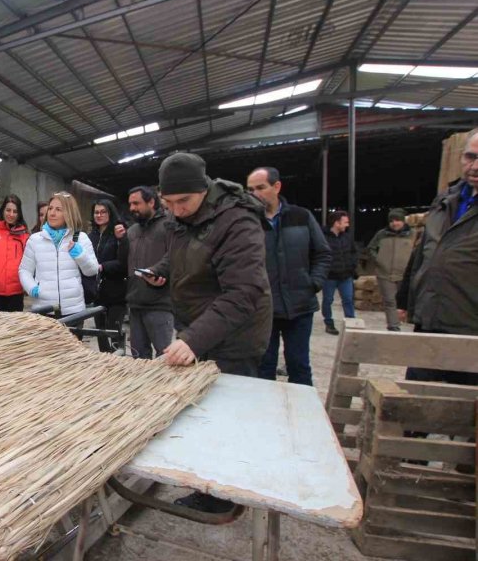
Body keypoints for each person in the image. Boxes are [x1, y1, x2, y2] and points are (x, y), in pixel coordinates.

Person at [142, 153, 272, 514]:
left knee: (227, 417)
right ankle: (207, 482)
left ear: (204, 189)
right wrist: (161, 270)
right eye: (168, 203)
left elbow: (244, 293)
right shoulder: (183, 215)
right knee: (202, 413)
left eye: (183, 201)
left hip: (234, 334)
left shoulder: (237, 221)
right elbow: (184, 253)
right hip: (199, 324)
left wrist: (193, 339)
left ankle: (223, 496)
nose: (176, 210)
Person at [397, 127, 478, 386]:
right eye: (470, 157)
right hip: (430, 320)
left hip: (470, 328)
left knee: (465, 412)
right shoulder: (445, 200)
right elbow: (423, 251)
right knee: (414, 405)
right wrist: (405, 298)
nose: (475, 166)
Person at [247, 167, 331, 386]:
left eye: (260, 188)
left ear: (276, 187)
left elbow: (322, 252)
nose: (255, 194)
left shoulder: (301, 217)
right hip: (263, 308)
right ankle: (264, 416)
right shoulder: (247, 222)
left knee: (299, 364)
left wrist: (314, 283)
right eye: (250, 189)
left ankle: (303, 417)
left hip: (300, 306)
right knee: (263, 365)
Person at [19, 192, 98, 316]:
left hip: (74, 310)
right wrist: (32, 288)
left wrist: (80, 255)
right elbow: (24, 270)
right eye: (50, 208)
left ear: (69, 212)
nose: (52, 213)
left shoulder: (81, 238)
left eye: (58, 209)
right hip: (44, 308)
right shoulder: (35, 240)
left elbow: (92, 270)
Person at [123, 186, 173, 359]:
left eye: (136, 203)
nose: (132, 208)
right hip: (135, 302)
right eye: (130, 204)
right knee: (138, 357)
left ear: (151, 202)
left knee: (165, 357)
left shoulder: (169, 225)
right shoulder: (132, 231)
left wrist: (161, 274)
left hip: (160, 302)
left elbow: (176, 256)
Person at [88, 199, 128, 353]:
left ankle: (119, 362)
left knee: (114, 330)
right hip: (97, 293)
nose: (99, 215)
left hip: (116, 291)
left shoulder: (119, 232)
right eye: (96, 212)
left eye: (103, 212)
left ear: (110, 213)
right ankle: (105, 364)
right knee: (101, 332)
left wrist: (103, 266)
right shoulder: (91, 236)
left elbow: (124, 263)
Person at [367, 208, 412, 332]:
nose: (394, 223)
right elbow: (371, 248)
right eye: (392, 221)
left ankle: (406, 321)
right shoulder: (381, 234)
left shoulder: (412, 234)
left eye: (397, 220)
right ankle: (393, 325)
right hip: (385, 273)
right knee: (389, 300)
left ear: (403, 221)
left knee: (404, 299)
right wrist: (379, 260)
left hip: (405, 274)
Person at [322, 210, 357, 335]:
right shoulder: (323, 237)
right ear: (336, 223)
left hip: (345, 275)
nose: (347, 225)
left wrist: (353, 267)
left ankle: (351, 324)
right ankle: (329, 324)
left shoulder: (347, 237)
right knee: (328, 300)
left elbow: (353, 252)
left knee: (348, 299)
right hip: (329, 276)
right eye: (345, 222)